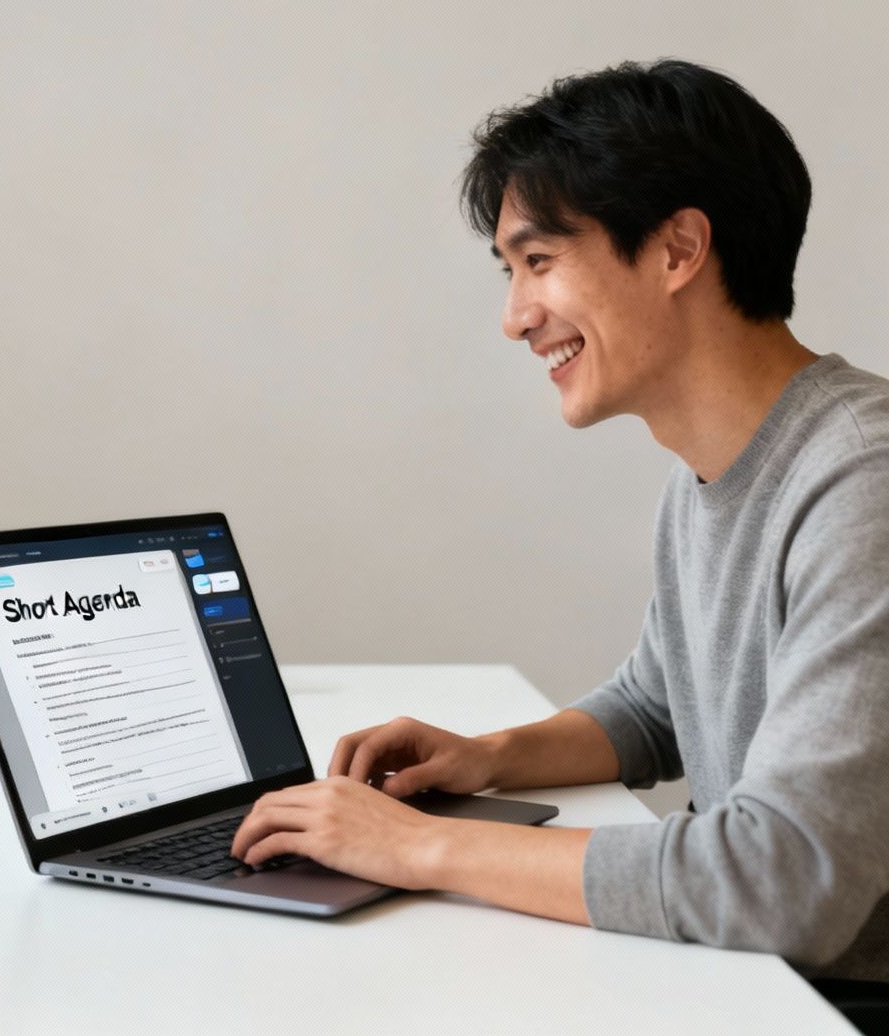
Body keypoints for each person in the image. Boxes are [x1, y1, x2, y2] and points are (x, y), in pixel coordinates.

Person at [228, 59, 889, 985]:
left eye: (538, 262)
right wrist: (484, 758)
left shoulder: (864, 485)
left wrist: (415, 849)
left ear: (677, 250)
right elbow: (659, 707)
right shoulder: (713, 472)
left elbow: (783, 881)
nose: (514, 317)